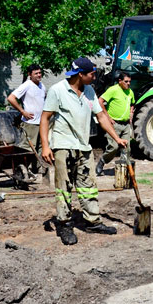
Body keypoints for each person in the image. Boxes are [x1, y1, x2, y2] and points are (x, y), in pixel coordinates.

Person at [40, 57, 128, 245]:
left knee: (88, 185)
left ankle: (92, 221)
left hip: (83, 146)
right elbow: (45, 118)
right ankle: (64, 224)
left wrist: (116, 138)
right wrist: (46, 146)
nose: (94, 77)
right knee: (64, 187)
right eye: (91, 74)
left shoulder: (89, 91)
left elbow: (101, 116)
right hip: (63, 146)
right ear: (80, 74)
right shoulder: (58, 90)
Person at [7, 64, 46, 173]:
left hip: (41, 122)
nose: (39, 75)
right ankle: (20, 171)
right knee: (27, 148)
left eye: (39, 72)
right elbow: (11, 98)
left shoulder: (42, 86)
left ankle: (36, 169)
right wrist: (23, 111)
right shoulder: (27, 85)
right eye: (36, 73)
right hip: (30, 123)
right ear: (29, 75)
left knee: (40, 147)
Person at [96, 71, 135, 176]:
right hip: (114, 124)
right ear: (120, 81)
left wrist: (131, 112)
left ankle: (124, 172)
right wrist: (107, 117)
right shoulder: (113, 90)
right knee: (113, 147)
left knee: (127, 148)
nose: (128, 84)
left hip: (126, 124)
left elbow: (132, 103)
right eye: (126, 81)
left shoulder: (130, 92)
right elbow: (100, 101)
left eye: (129, 82)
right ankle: (102, 161)